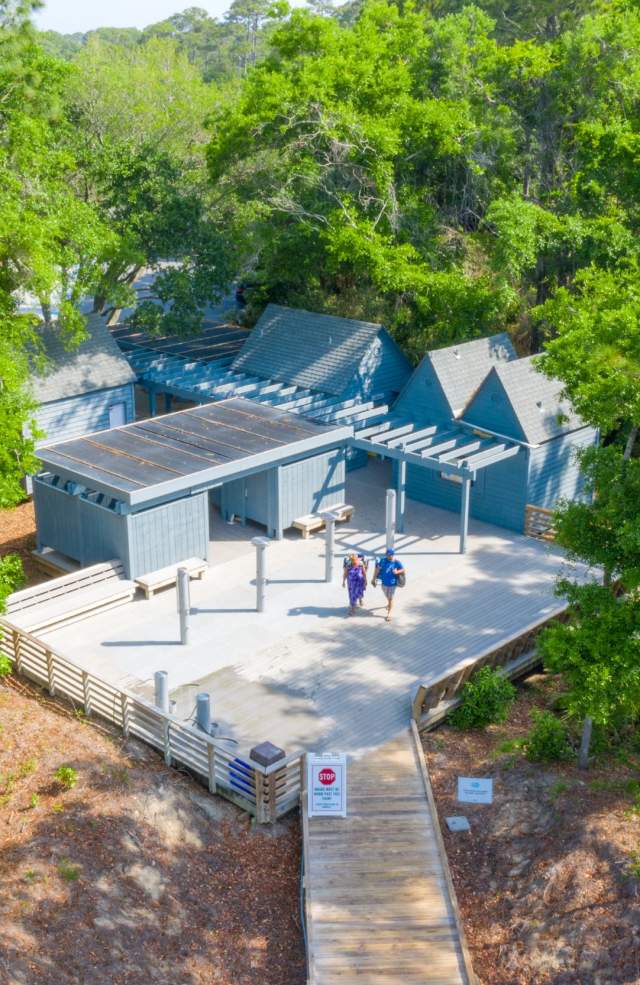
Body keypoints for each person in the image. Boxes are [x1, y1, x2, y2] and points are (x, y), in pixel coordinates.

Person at [372, 548, 404, 623]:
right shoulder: (383, 560)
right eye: (387, 555)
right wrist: (374, 578)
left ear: (392, 555)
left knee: (390, 598)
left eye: (389, 555)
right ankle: (389, 604)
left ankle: (389, 614)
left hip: (392, 583)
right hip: (383, 583)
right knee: (387, 596)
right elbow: (377, 570)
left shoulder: (396, 562)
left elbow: (403, 569)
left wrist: (397, 571)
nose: (388, 556)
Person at [342, 552, 368, 616]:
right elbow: (345, 573)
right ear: (351, 560)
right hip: (351, 583)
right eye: (353, 561)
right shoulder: (348, 564)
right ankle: (353, 608)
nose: (354, 562)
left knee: (359, 592)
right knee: (352, 595)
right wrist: (343, 582)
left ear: (357, 559)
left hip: (359, 582)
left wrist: (366, 581)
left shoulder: (361, 564)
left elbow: (364, 573)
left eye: (355, 560)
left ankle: (360, 599)